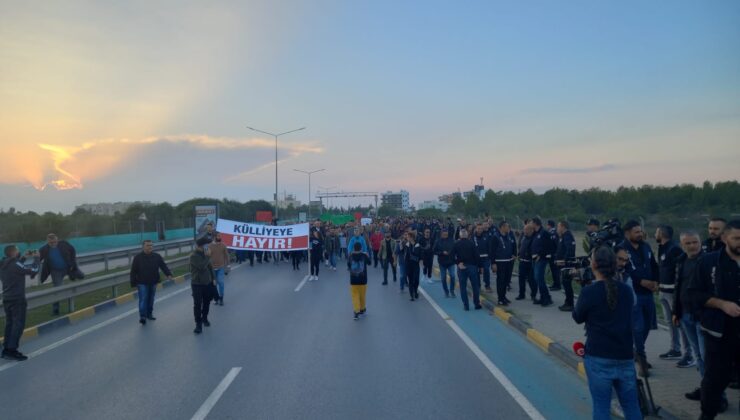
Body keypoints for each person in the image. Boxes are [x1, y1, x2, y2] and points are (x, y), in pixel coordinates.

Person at [573, 246, 641, 420]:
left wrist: (584, 290)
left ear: (594, 264)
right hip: (625, 355)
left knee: (601, 406)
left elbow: (577, 317)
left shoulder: (589, 291)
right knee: (631, 406)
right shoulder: (626, 290)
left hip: (599, 356)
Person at [688, 220, 740, 420]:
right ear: (725, 238)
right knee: (714, 380)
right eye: (736, 238)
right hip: (719, 333)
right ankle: (707, 415)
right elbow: (693, 294)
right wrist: (722, 304)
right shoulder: (709, 262)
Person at [671, 231, 715, 404]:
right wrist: (676, 311)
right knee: (697, 355)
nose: (692, 246)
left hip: (703, 316)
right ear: (682, 245)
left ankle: (717, 395)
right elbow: (678, 287)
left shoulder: (709, 261)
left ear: (699, 242)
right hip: (685, 315)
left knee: (707, 356)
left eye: (695, 242)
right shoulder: (681, 261)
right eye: (688, 243)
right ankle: (705, 388)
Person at [620, 220, 658, 373]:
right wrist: (641, 281)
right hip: (633, 294)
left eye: (640, 231)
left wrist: (656, 281)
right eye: (636, 232)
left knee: (648, 326)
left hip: (648, 294)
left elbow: (654, 265)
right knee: (637, 327)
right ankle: (642, 360)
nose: (640, 234)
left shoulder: (646, 247)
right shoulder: (621, 249)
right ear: (627, 233)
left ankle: (636, 351)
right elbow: (625, 269)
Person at [655, 225, 694, 367]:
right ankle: (675, 349)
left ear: (661, 233)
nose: (655, 234)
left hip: (673, 293)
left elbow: (679, 270)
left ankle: (689, 354)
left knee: (680, 323)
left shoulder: (674, 249)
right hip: (663, 290)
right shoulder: (662, 248)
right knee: (670, 322)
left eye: (656, 232)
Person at [1, 246, 39, 361]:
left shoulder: (3, 264)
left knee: (10, 323)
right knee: (18, 324)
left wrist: (23, 258)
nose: (19, 252)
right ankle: (12, 350)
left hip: (7, 297)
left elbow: (16, 268)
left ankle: (6, 349)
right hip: (17, 298)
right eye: (17, 250)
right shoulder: (15, 264)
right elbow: (33, 270)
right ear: (14, 252)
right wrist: (37, 258)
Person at [130, 240, 173, 324]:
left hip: (153, 281)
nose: (150, 247)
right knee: (143, 299)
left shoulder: (157, 256)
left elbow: (163, 266)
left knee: (151, 299)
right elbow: (133, 271)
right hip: (142, 282)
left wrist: (168, 274)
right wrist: (133, 283)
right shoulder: (138, 258)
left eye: (151, 245)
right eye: (148, 245)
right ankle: (143, 316)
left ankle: (149, 314)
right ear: (143, 247)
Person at [39, 233, 83, 315]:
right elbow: (38, 258)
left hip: (68, 267)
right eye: (51, 243)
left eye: (55, 242)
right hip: (56, 271)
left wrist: (73, 263)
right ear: (47, 242)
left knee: (81, 276)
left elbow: (72, 250)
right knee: (57, 290)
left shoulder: (64, 244)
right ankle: (56, 309)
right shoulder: (44, 249)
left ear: (57, 240)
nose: (53, 244)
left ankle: (72, 276)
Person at [190, 237, 215, 334]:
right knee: (197, 304)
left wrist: (213, 279)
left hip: (207, 283)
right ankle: (198, 324)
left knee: (207, 302)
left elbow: (210, 268)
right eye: (207, 245)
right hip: (197, 284)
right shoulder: (194, 256)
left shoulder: (206, 254)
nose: (208, 246)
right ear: (202, 246)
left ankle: (204, 318)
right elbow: (201, 267)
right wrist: (208, 257)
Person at [452, 229, 482, 311]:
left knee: (463, 287)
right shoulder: (471, 243)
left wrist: (458, 263)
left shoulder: (456, 244)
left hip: (461, 267)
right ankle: (476, 304)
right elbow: (477, 256)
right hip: (472, 267)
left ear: (460, 235)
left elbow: (452, 256)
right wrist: (479, 266)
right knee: (475, 286)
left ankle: (466, 305)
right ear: (467, 235)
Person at [530, 218, 554, 307]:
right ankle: (544, 297)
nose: (530, 224)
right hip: (534, 259)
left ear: (536, 223)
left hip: (541, 259)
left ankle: (546, 298)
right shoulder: (535, 233)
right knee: (538, 279)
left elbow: (548, 246)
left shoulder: (544, 233)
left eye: (531, 222)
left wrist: (540, 255)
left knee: (539, 278)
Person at [493, 221, 516, 306]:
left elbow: (511, 246)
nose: (508, 228)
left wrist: (513, 254)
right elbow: (492, 251)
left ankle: (504, 296)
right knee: (501, 281)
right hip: (500, 262)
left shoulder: (508, 236)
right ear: (502, 227)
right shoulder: (495, 237)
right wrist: (493, 263)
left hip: (508, 261)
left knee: (506, 281)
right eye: (506, 226)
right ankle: (500, 299)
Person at [555, 221, 577, 312]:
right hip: (563, 264)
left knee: (567, 284)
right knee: (565, 283)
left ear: (563, 227)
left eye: (558, 226)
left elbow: (570, 250)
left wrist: (564, 261)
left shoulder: (567, 236)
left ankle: (570, 304)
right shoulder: (563, 236)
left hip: (566, 265)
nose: (557, 228)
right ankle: (567, 302)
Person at [348, 242, 371, 320]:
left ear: (354, 248)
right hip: (363, 279)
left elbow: (348, 265)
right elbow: (370, 263)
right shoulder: (364, 255)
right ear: (361, 248)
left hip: (353, 279)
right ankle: (362, 309)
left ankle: (356, 311)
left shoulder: (351, 256)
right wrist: (368, 255)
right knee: (362, 295)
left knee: (355, 296)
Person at [516, 224, 536, 301]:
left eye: (526, 229)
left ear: (531, 230)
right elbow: (521, 247)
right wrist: (519, 254)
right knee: (521, 279)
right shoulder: (524, 238)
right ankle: (521, 294)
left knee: (531, 280)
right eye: (524, 229)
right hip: (522, 261)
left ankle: (533, 295)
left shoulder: (533, 239)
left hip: (530, 262)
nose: (524, 231)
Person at [208, 233, 230, 306]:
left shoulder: (223, 245)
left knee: (221, 282)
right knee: (214, 284)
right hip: (212, 268)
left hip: (221, 267)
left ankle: (221, 298)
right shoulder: (210, 246)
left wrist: (228, 266)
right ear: (214, 237)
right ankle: (216, 298)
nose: (220, 237)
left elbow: (227, 255)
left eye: (220, 236)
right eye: (218, 236)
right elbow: (207, 256)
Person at [434, 229, 456, 298]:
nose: (445, 235)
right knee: (443, 278)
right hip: (442, 262)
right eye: (444, 234)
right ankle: (446, 291)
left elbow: (455, 249)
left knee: (452, 276)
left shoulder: (452, 240)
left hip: (451, 262)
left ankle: (452, 290)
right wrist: (441, 253)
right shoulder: (438, 242)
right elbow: (434, 251)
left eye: (446, 234)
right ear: (441, 234)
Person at [473, 223, 494, 293]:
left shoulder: (486, 236)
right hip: (476, 259)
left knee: (486, 270)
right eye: (478, 228)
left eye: (481, 229)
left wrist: (489, 257)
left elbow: (490, 247)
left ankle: (487, 286)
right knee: (476, 273)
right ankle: (478, 286)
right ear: (476, 229)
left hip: (485, 258)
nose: (480, 230)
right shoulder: (473, 237)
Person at [403, 231, 422, 301]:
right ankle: (412, 295)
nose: (407, 238)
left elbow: (419, 255)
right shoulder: (407, 245)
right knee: (410, 280)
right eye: (407, 237)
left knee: (416, 280)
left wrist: (415, 257)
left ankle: (415, 291)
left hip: (416, 265)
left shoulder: (418, 245)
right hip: (408, 265)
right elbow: (405, 255)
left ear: (412, 237)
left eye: (408, 237)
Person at [546, 220, 561, 291]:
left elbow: (557, 245)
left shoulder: (554, 233)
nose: (547, 226)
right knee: (553, 270)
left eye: (547, 225)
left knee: (555, 271)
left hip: (554, 255)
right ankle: (555, 283)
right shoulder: (550, 233)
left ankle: (557, 285)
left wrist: (556, 255)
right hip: (551, 255)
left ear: (549, 225)